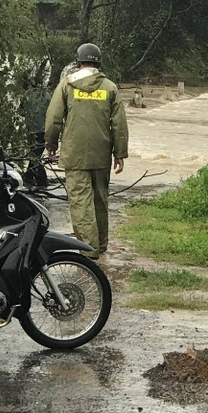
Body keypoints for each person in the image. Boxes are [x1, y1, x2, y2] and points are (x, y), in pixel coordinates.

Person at [44, 43, 129, 257]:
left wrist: (51, 145)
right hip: (101, 154)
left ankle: (88, 250)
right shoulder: (109, 87)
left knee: (81, 201)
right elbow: (119, 124)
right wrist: (119, 153)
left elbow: (54, 119)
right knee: (100, 200)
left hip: (74, 154)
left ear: (78, 62)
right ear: (98, 62)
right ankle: (101, 244)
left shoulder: (66, 85)